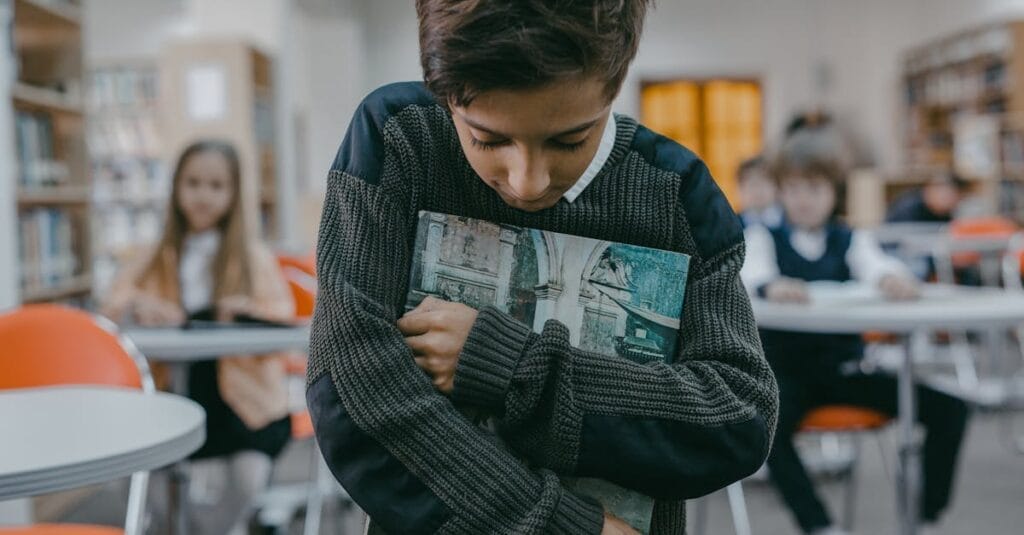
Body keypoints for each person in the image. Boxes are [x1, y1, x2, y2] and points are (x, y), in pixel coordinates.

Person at [306, 1, 778, 534]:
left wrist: (509, 369)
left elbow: (739, 419)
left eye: (569, 139)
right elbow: (352, 396)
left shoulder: (676, 196)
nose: (527, 180)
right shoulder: (401, 140)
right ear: (444, 92)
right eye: (488, 138)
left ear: (615, 81)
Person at [741, 132, 970, 535]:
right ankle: (819, 525)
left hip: (846, 371)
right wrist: (771, 285)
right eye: (792, 188)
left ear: (835, 191)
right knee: (762, 428)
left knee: (950, 408)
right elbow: (751, 273)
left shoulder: (850, 239)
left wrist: (893, 281)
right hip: (786, 378)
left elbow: (880, 265)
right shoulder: (764, 238)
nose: (803, 199)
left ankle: (926, 516)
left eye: (814, 187)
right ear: (780, 192)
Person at [102, 140, 294, 535]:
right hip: (171, 392)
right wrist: (139, 305)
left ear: (233, 193)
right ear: (175, 188)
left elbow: (282, 317)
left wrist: (241, 312)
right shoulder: (154, 255)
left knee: (248, 478)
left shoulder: (252, 258)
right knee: (129, 473)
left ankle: (213, 529)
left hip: (241, 399)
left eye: (216, 185)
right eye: (192, 183)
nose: (203, 195)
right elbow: (111, 307)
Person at [886, 172, 967, 223]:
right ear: (930, 190)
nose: (951, 201)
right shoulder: (909, 208)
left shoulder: (944, 213)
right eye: (945, 196)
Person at [737, 154, 783, 229]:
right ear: (740, 190)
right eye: (752, 184)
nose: (758, 190)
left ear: (776, 187)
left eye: (763, 182)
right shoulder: (733, 225)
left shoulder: (788, 222)